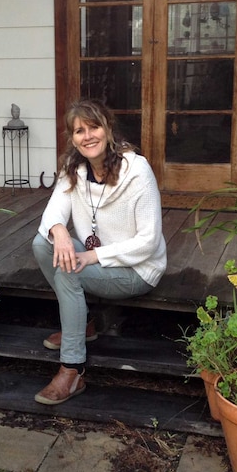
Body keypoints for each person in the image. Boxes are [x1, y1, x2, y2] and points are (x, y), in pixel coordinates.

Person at [31, 99, 167, 405]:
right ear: (72, 138)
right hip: (100, 259)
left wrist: (91, 256)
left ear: (108, 130)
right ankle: (81, 323)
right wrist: (60, 231)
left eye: (94, 127)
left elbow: (148, 241)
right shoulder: (74, 169)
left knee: (68, 269)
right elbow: (52, 214)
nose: (88, 136)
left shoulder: (137, 170)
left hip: (137, 268)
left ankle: (73, 369)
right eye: (79, 130)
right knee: (43, 244)